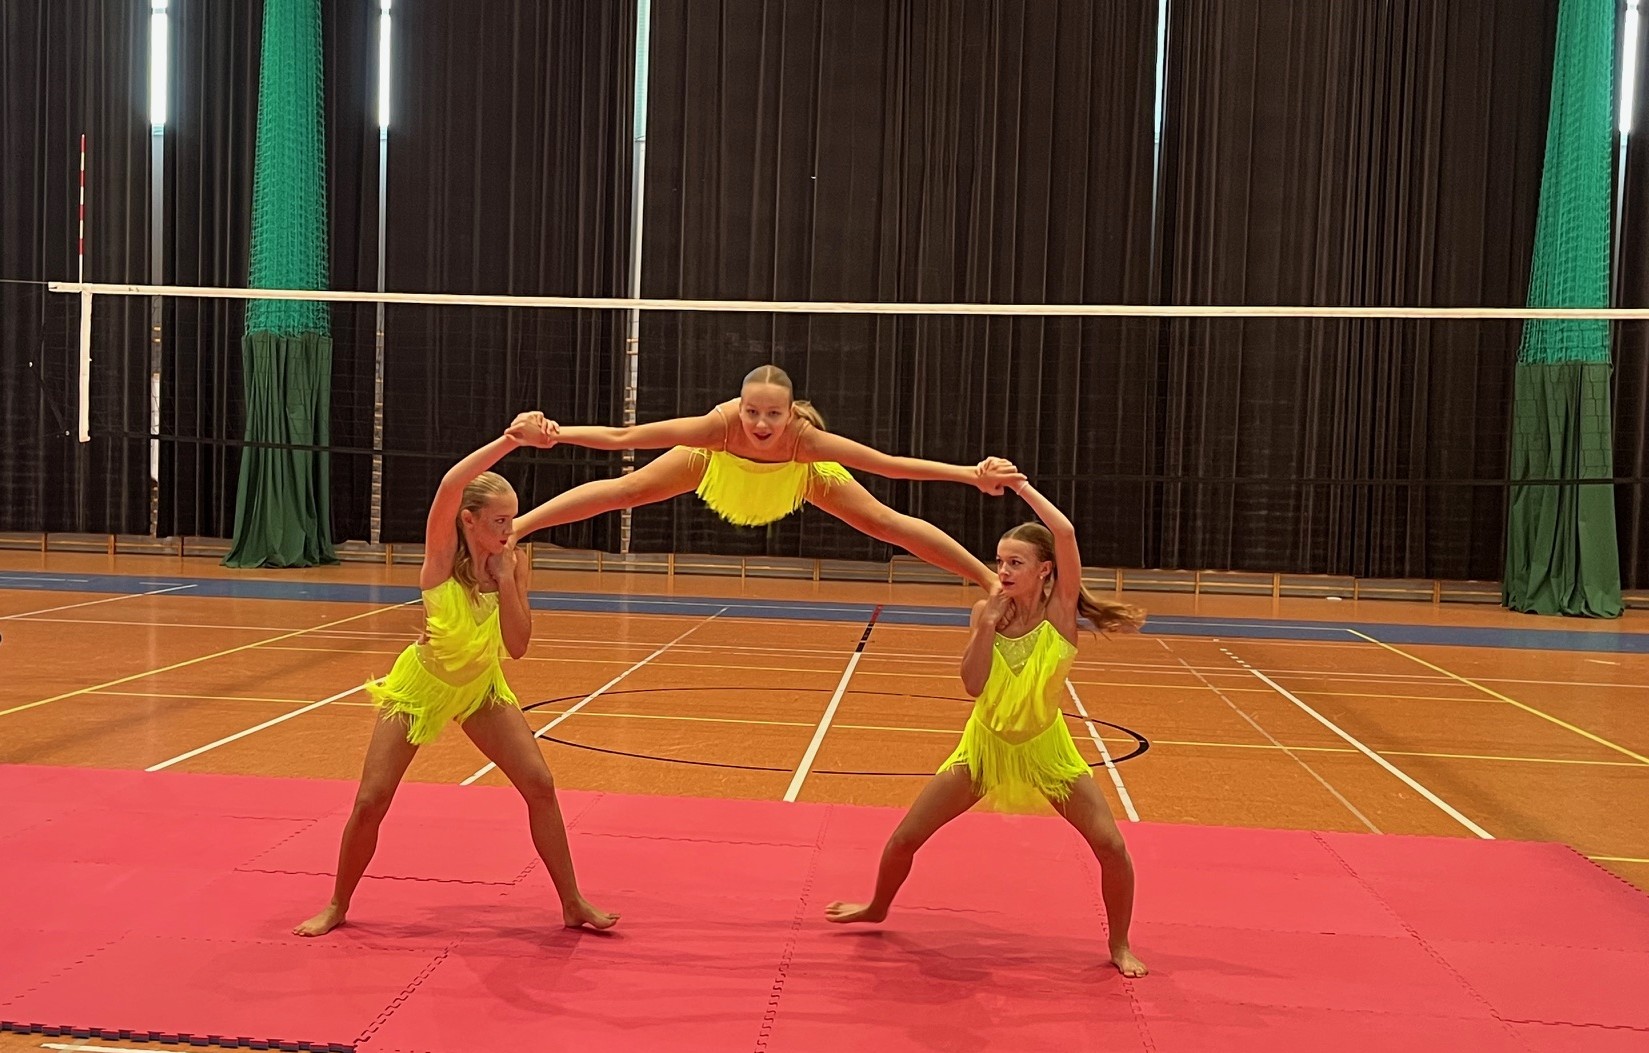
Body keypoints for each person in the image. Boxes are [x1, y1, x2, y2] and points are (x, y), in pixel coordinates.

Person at [294, 413, 616, 936]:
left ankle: (572, 902)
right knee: (371, 800)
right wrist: (509, 440)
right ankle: (337, 904)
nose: (509, 531)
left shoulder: (513, 562)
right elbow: (449, 485)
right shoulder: (441, 558)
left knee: (540, 784)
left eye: (513, 520)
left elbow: (518, 647)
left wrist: (508, 581)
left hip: (481, 687)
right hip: (422, 686)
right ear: (469, 520)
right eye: (499, 521)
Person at [824, 480, 1148, 977]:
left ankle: (1119, 944)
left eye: (1015, 562)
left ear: (1045, 570)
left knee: (1111, 847)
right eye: (999, 561)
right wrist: (986, 627)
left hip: (1046, 748)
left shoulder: (1060, 613)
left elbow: (1063, 531)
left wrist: (1021, 486)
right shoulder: (986, 611)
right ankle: (877, 906)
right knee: (905, 839)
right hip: (985, 745)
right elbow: (974, 686)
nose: (1002, 571)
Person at [510, 365, 1022, 592]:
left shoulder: (805, 441)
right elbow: (626, 436)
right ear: (739, 405)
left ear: (790, 413)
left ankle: (985, 579)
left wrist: (970, 476)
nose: (760, 424)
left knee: (884, 523)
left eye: (772, 414)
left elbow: (888, 464)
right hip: (716, 465)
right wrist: (555, 434)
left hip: (794, 476)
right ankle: (517, 528)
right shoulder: (717, 428)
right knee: (627, 490)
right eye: (752, 411)